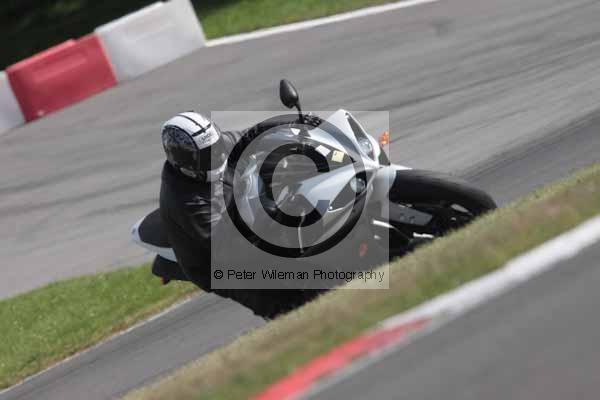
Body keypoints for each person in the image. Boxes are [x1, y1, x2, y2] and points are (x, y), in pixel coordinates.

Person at [156, 111, 318, 317]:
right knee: (284, 302)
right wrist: (267, 211)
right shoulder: (185, 200)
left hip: (235, 206)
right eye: (206, 156)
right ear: (185, 163)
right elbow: (226, 245)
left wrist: (297, 121)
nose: (215, 157)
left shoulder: (216, 146)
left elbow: (253, 135)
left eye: (215, 149)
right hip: (217, 261)